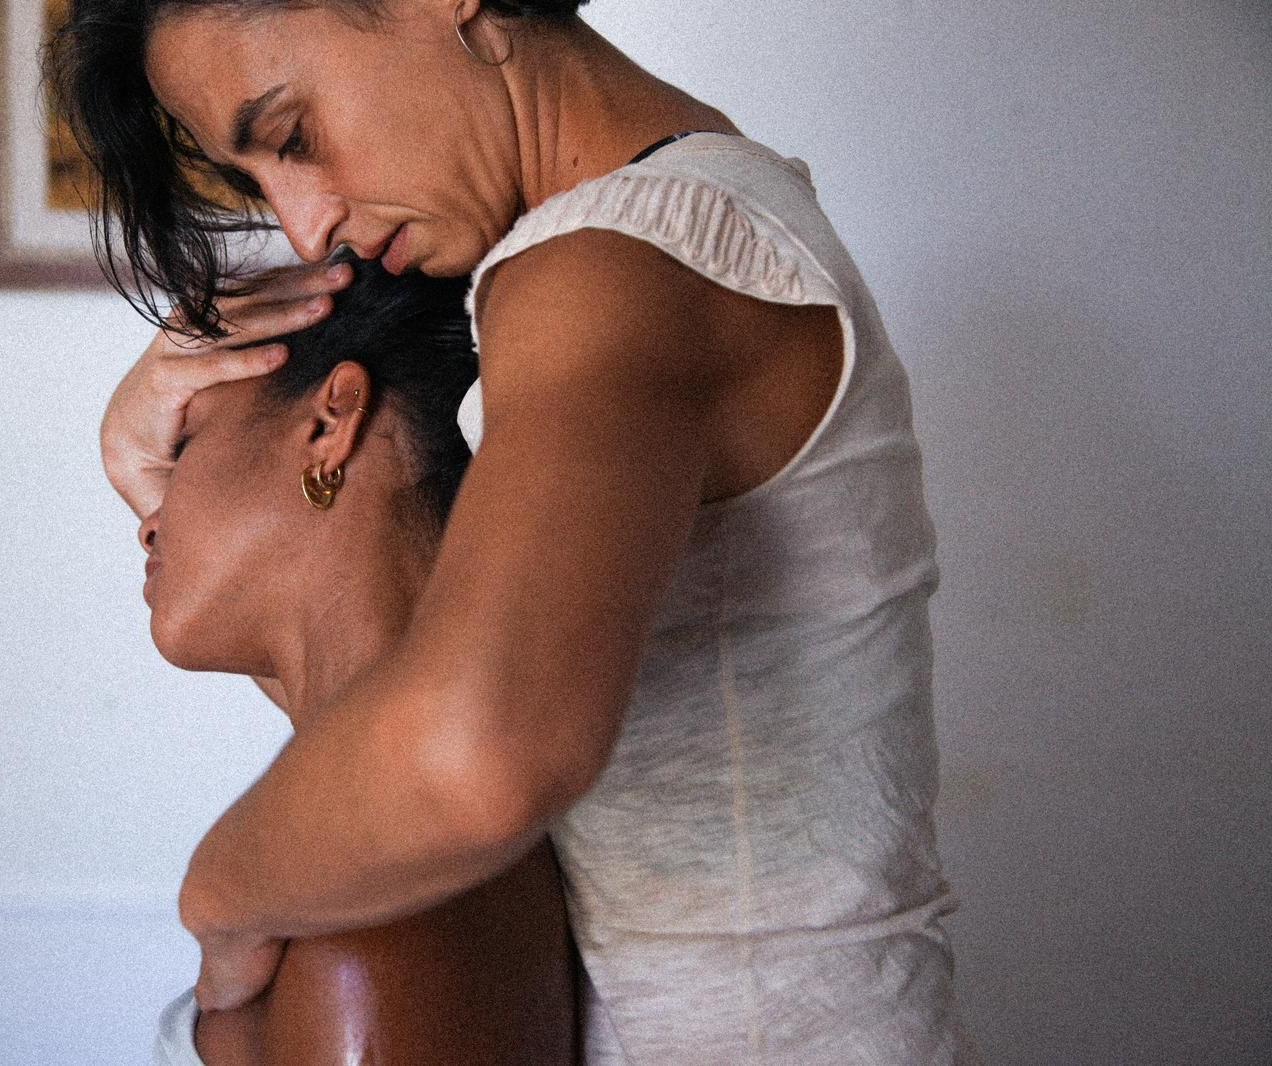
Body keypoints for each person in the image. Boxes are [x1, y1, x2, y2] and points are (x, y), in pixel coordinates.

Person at [51, 0, 978, 1061]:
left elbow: (471, 757)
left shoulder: (610, 264)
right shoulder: (682, 226)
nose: (305, 226)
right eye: (261, 179)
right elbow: (376, 697)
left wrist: (219, 898)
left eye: (293, 136)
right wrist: (147, 468)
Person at [139, 259, 576, 1064]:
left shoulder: (372, 921)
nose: (147, 523)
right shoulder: (368, 851)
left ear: (329, 422)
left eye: (186, 445)